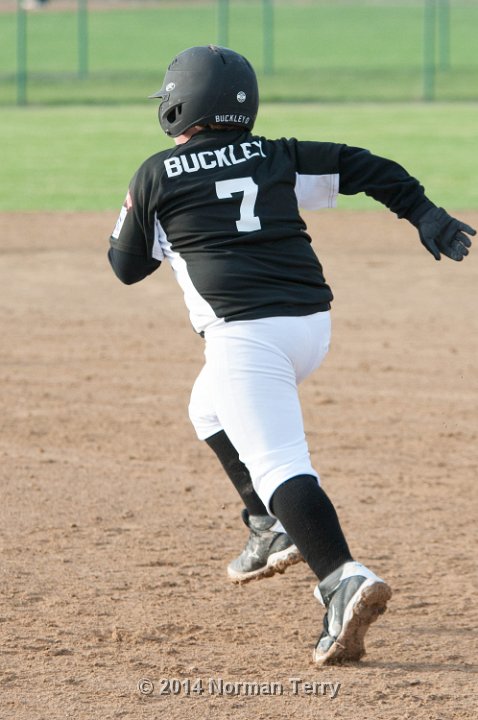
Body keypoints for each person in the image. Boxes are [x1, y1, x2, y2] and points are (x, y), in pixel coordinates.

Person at [107, 45, 475, 666]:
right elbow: (363, 165)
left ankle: (341, 578)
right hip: (309, 328)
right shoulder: (276, 155)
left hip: (245, 338)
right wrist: (422, 212)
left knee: (280, 463)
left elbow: (125, 267)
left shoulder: (156, 174)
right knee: (208, 408)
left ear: (178, 106)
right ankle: (267, 525)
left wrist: (167, 223)